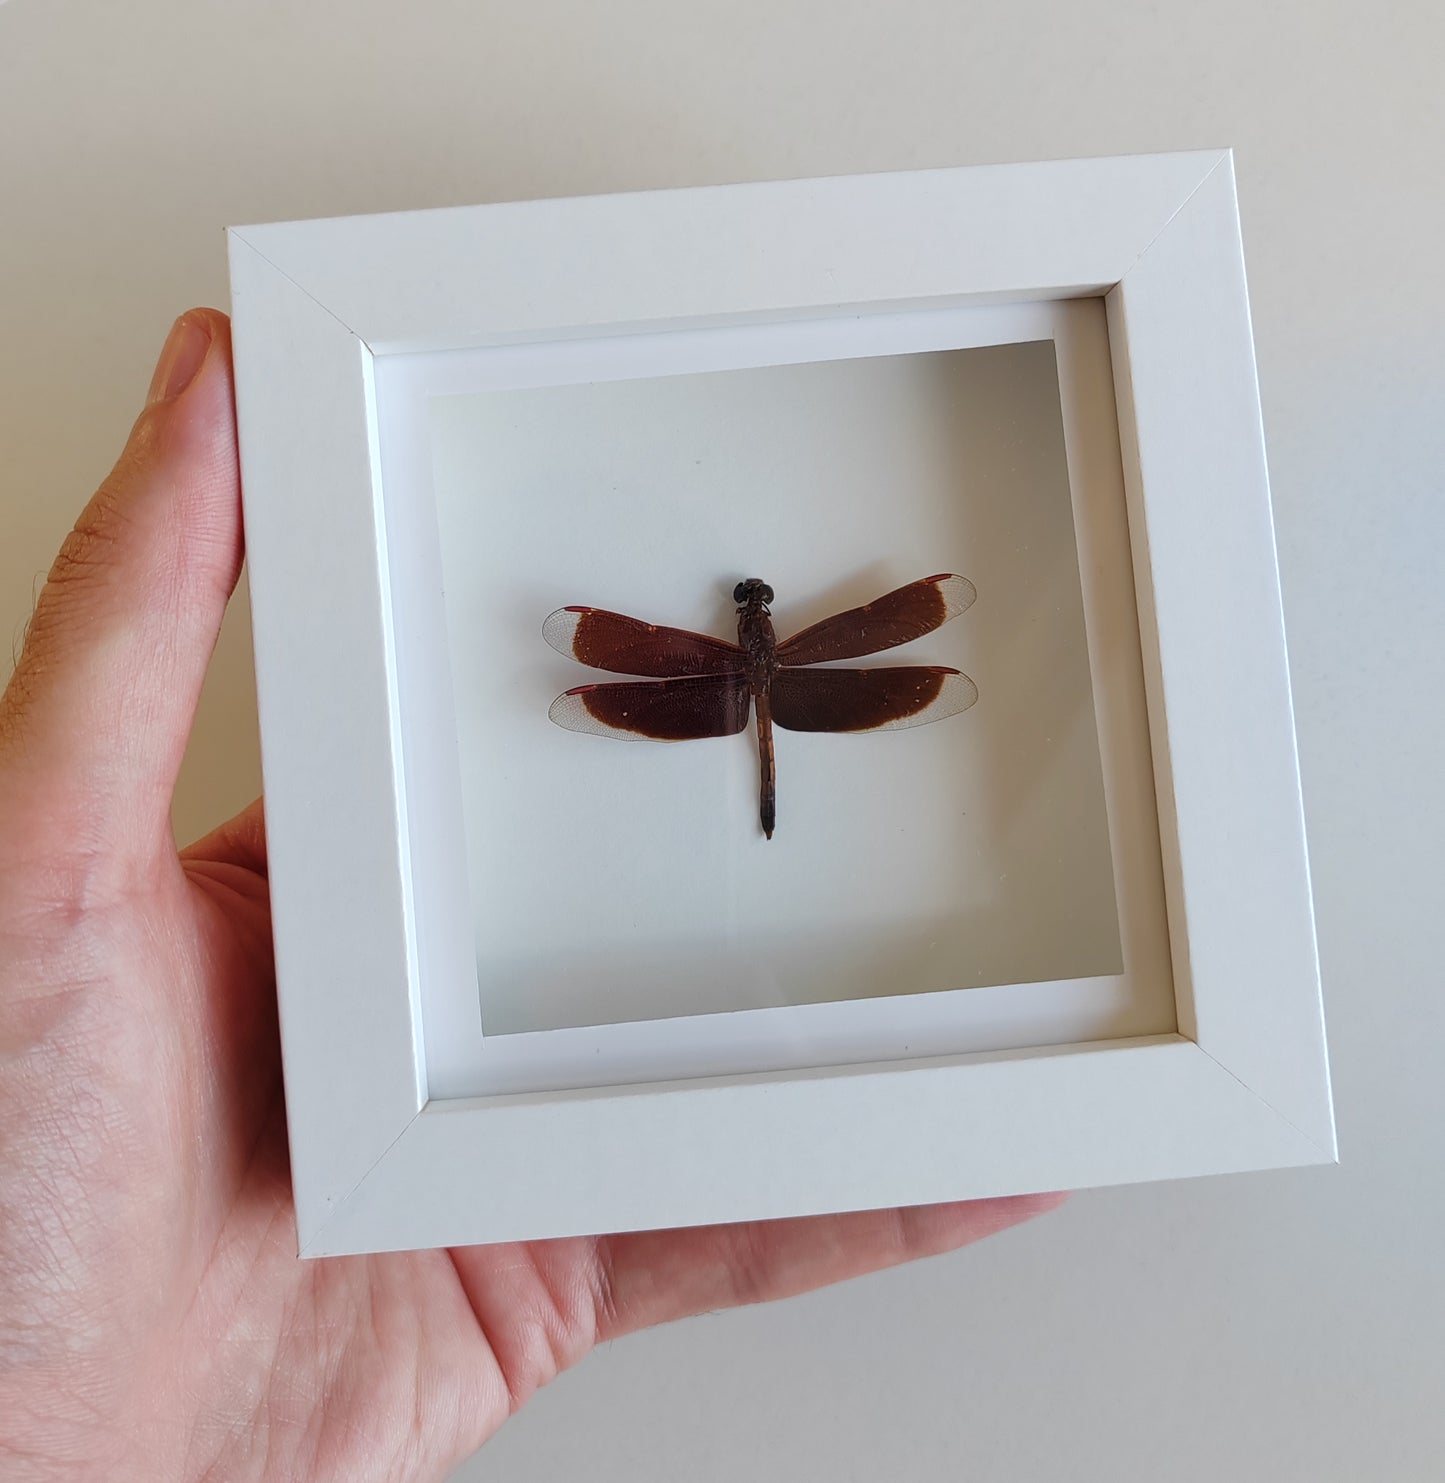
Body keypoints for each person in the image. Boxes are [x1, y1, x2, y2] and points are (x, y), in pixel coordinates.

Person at [0, 309, 1063, 1481]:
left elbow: (586, 656)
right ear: (762, 627)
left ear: (742, 627)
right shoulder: (784, 657)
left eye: (749, 621)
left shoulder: (713, 660)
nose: (751, 628)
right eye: (754, 622)